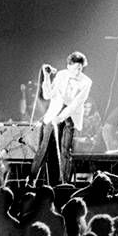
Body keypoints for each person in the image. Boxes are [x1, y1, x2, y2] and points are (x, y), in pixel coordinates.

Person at [33, 51, 92, 185]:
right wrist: (47, 77)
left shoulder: (86, 82)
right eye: (76, 68)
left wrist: (60, 118)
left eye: (80, 68)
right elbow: (47, 95)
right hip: (54, 113)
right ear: (68, 66)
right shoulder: (61, 75)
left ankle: (64, 183)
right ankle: (32, 180)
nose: (78, 71)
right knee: (43, 148)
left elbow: (76, 104)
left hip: (69, 117)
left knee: (65, 151)